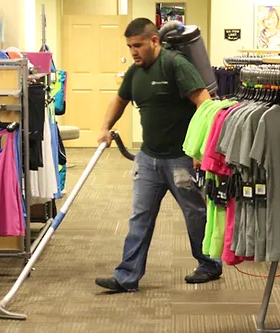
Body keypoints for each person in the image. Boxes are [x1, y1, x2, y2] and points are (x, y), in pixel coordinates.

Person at [95, 18, 222, 292]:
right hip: (148, 159)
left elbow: (205, 104)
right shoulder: (135, 72)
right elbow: (120, 99)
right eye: (130, 46)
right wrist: (106, 127)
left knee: (195, 213)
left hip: (181, 159)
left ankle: (209, 263)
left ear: (155, 41)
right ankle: (127, 276)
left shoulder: (176, 65)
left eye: (138, 45)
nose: (134, 52)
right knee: (139, 216)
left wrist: (202, 149)